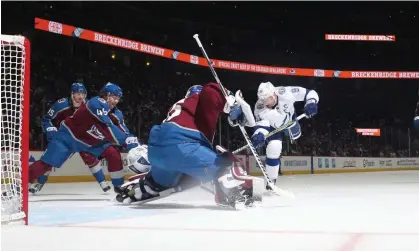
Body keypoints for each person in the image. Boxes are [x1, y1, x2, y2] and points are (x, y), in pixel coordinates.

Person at [116, 83, 263, 209]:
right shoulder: (197, 98)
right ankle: (232, 192)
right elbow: (210, 91)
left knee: (168, 178)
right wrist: (231, 101)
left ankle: (151, 184)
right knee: (226, 163)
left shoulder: (179, 107)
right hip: (182, 146)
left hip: (157, 151)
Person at [28, 82, 139, 192]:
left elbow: (124, 130)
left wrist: (132, 141)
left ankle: (119, 187)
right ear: (105, 95)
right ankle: (22, 182)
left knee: (113, 154)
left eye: (118, 98)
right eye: (114, 97)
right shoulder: (95, 103)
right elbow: (108, 127)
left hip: (88, 141)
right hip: (68, 137)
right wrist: (126, 141)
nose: (116, 101)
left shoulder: (117, 113)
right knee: (47, 163)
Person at [251, 82, 319, 190]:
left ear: (274, 94)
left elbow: (310, 93)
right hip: (274, 127)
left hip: (290, 122)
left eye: (266, 99)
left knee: (297, 136)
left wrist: (311, 102)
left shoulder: (286, 92)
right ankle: (271, 182)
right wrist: (259, 135)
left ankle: (292, 133)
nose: (264, 102)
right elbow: (262, 126)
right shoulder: (259, 107)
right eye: (262, 99)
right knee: (274, 147)